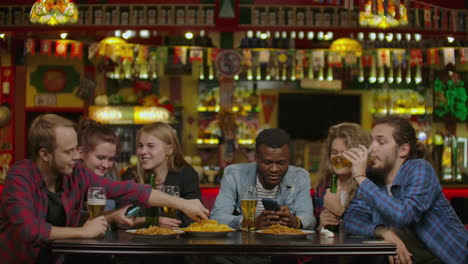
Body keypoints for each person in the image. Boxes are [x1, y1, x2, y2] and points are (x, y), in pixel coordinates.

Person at [0, 114, 208, 264]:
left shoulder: (76, 175)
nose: (77, 156)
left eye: (77, 149)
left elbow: (126, 190)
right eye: (69, 151)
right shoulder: (20, 177)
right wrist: (83, 232)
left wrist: (183, 203)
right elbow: (29, 229)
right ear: (44, 154)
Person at [343, 115, 468, 264]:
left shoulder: (420, 169)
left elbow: (405, 214)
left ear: (403, 150)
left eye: (381, 142)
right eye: (371, 141)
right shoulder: (372, 179)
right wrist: (383, 232)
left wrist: (360, 178)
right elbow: (351, 219)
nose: (371, 149)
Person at [211, 128, 315, 231]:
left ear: (289, 159)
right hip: (245, 245)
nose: (274, 169)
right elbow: (217, 217)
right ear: (256, 157)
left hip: (284, 244)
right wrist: (250, 223)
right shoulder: (234, 174)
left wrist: (296, 222)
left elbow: (309, 219)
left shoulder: (300, 176)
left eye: (281, 163)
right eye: (267, 163)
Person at [121, 122, 202, 228]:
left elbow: (194, 218)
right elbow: (122, 217)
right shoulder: (131, 175)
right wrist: (153, 221)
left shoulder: (186, 174)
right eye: (140, 146)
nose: (142, 151)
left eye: (150, 146)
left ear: (169, 150)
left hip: (178, 241)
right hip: (139, 242)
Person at [76, 117, 133, 229]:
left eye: (110, 159)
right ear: (81, 153)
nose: (106, 165)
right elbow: (72, 220)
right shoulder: (71, 176)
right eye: (100, 157)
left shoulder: (111, 174)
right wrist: (112, 217)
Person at [314, 123, 371, 232]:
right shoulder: (323, 186)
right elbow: (315, 233)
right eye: (334, 152)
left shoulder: (369, 186)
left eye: (346, 153)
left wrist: (340, 212)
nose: (338, 158)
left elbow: (376, 229)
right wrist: (321, 225)